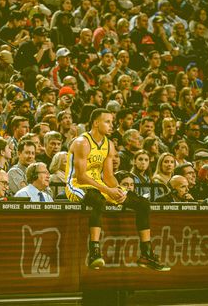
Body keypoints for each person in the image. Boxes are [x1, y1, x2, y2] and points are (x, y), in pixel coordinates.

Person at [65, 108, 170, 271]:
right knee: (98, 201)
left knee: (142, 203)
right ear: (96, 123)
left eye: (112, 122)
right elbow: (81, 177)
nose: (111, 125)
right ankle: (94, 252)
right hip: (76, 184)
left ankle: (146, 254)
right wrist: (108, 191)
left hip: (99, 184)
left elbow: (108, 176)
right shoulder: (81, 142)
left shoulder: (109, 145)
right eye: (107, 121)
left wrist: (118, 190)